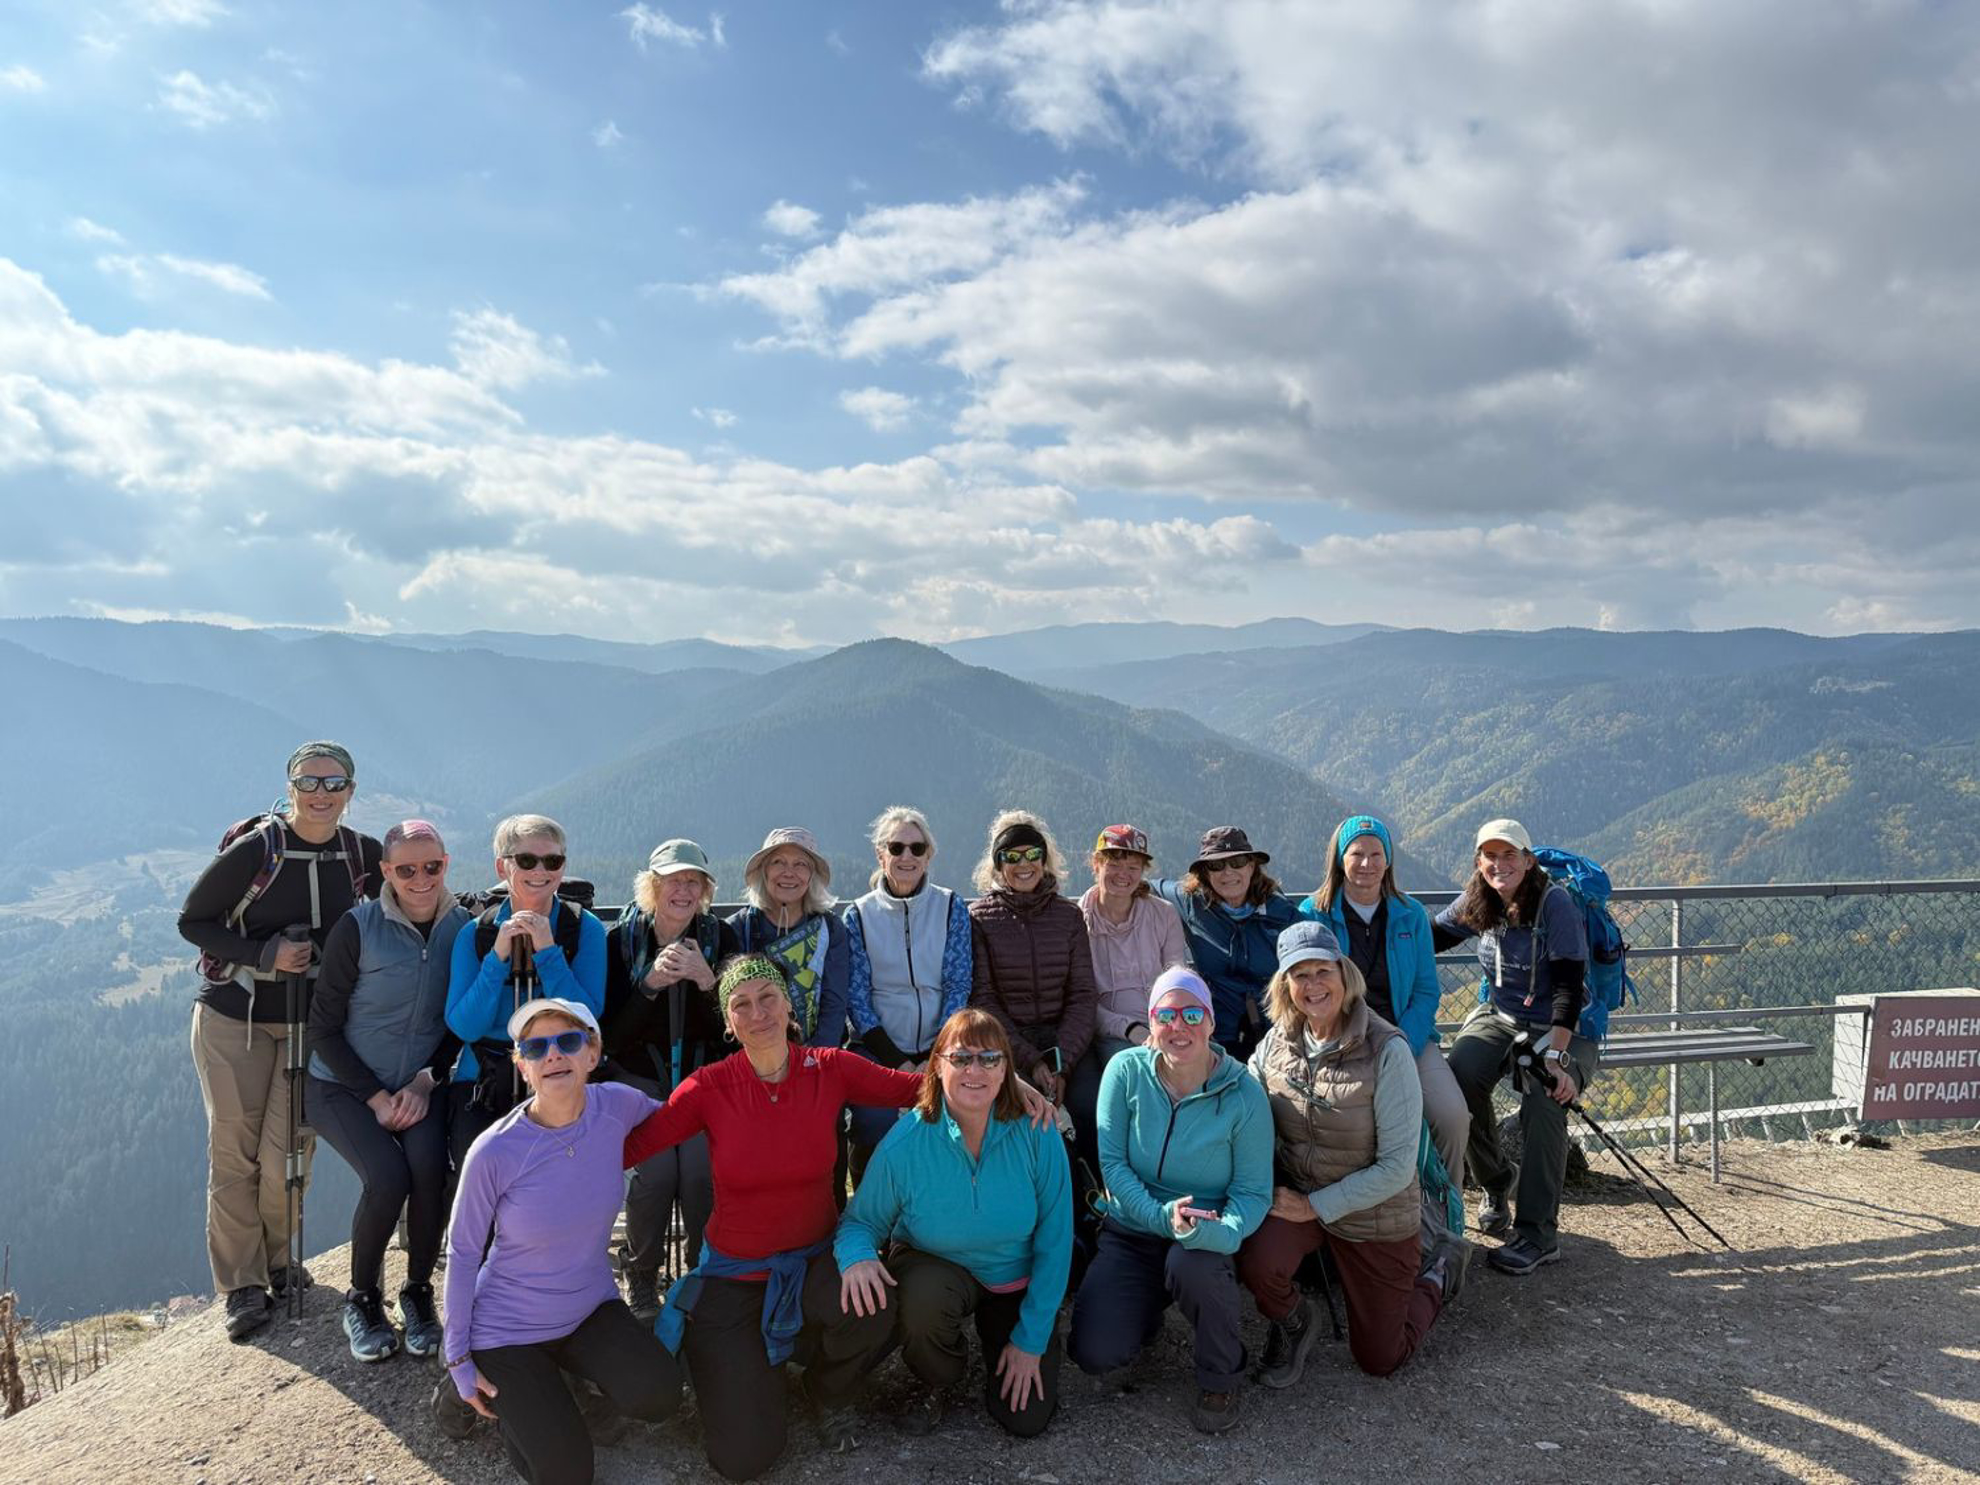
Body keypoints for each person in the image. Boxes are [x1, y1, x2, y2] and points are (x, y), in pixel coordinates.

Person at [622, 955, 921, 1481]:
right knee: (744, 1458)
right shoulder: (708, 1087)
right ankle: (742, 1366)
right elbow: (633, 1144)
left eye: (768, 998)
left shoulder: (830, 1067)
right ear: (729, 1023)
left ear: (789, 1006)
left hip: (816, 1262)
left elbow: (915, 1089)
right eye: (741, 1004)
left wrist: (1012, 1087)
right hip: (734, 1277)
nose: (757, 1012)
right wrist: (546, 1126)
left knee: (877, 1306)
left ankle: (827, 1391)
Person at [178, 740, 383, 1341]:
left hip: (311, 1024)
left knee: (289, 1153)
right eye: (309, 781)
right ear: (290, 786)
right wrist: (265, 954)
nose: (322, 793)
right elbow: (193, 921)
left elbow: (406, 900)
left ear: (350, 790)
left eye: (334, 782)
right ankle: (244, 1283)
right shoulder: (257, 851)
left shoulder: (361, 855)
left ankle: (277, 1261)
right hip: (234, 1018)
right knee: (234, 1150)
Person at [443, 998, 681, 1485]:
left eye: (568, 1041)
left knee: (660, 1394)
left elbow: (683, 1115)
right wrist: (459, 1358)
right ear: (523, 1066)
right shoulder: (493, 1151)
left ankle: (551, 1388)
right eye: (536, 1046)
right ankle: (468, 1393)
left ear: (592, 1054)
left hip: (587, 1309)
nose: (553, 1054)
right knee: (567, 1473)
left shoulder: (618, 1104)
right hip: (507, 1330)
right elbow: (464, 1254)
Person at [1236, 922, 1465, 1389]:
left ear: (1346, 974)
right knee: (1255, 1259)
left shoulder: (1387, 1049)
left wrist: (1313, 1206)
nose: (1313, 985)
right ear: (1284, 985)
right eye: (1299, 975)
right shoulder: (1278, 1040)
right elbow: (1243, 1094)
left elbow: (1398, 1168)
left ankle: (1439, 1270)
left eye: (1323, 970)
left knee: (1381, 1358)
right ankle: (1297, 1321)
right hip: (1304, 1196)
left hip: (1373, 1210)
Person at [836, 1009, 1073, 1438]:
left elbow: (1056, 1243)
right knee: (924, 1299)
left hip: (1011, 1279)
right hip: (936, 1268)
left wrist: (1031, 1340)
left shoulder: (1038, 1132)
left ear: (1006, 1069)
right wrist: (856, 1258)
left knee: (1025, 1419)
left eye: (989, 1059)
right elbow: (860, 1221)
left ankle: (1007, 1347)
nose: (975, 1070)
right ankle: (939, 1375)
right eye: (961, 1058)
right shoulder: (906, 1140)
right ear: (938, 1065)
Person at [1068, 967, 1272, 1434]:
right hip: (1134, 1228)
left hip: (1203, 1233)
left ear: (1211, 1022)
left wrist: (1224, 1232)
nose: (1179, 1026)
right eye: (1166, 1015)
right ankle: (1147, 1310)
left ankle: (1221, 1374)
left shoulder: (1243, 1094)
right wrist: (1160, 1218)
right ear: (1151, 1021)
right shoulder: (1125, 1071)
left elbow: (1252, 1193)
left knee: (1191, 1266)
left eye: (1192, 1013)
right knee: (1093, 1352)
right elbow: (1114, 1168)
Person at [306, 819, 469, 1363]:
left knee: (431, 1173)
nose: (420, 878)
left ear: (446, 864)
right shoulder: (358, 929)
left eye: (432, 867)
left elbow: (458, 1022)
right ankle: (364, 1299)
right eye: (406, 869)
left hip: (420, 1085)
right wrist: (376, 1097)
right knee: (387, 1176)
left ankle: (418, 1292)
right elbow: (323, 1028)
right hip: (342, 1087)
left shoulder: (462, 928)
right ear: (385, 873)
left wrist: (426, 1080)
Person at [1434, 819, 1597, 1276]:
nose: (1500, 864)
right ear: (1479, 862)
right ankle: (1497, 1181)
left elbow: (1569, 988)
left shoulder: (1554, 905)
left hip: (1566, 1026)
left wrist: (1556, 1056)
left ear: (1528, 861)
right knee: (1459, 1081)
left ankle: (1537, 1234)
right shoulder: (1480, 900)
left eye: (1510, 856)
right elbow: (1429, 937)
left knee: (1546, 1100)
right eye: (1491, 856)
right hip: (1501, 1017)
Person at [600, 838, 738, 1322]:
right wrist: (651, 987)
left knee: (700, 1172)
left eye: (693, 882)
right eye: (673, 880)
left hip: (703, 1079)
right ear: (652, 885)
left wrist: (707, 983)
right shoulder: (619, 942)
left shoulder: (723, 940)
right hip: (640, 1079)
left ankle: (706, 1274)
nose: (683, 890)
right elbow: (610, 1036)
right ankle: (641, 1275)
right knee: (655, 1173)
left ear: (704, 890)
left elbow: (732, 1035)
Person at [1298, 814, 1468, 1184]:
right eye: (1356, 853)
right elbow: (1304, 990)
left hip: (1406, 1037)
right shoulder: (1314, 916)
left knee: (1452, 1116)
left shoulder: (1411, 916)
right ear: (1340, 859)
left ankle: (1448, 1215)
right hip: (1340, 1040)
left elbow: (1425, 990)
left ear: (1389, 859)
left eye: (1376, 854)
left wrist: (1403, 1042)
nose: (1366, 864)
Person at [445, 814, 606, 1170]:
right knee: (477, 1186)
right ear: (502, 867)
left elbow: (586, 1015)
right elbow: (466, 1026)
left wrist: (549, 953)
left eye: (553, 861)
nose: (540, 871)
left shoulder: (583, 929)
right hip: (484, 1082)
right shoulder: (477, 934)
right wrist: (497, 957)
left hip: (558, 1075)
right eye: (526, 860)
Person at [966, 810, 1101, 1181]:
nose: (1023, 865)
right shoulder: (979, 918)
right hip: (1010, 1044)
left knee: (1092, 1108)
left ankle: (1091, 1205)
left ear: (1045, 859)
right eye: (1011, 857)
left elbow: (1082, 995)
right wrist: (1030, 1060)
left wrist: (1061, 1063)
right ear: (997, 865)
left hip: (1066, 1044)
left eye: (1032, 855)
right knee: (1011, 1115)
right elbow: (984, 998)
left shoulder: (1069, 916)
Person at [842, 806, 972, 1179]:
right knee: (872, 1120)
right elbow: (858, 998)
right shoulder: (859, 916)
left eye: (917, 848)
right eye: (896, 848)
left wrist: (936, 1054)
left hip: (942, 1044)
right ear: (880, 855)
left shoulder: (951, 907)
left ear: (929, 854)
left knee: (958, 1115)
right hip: (878, 1047)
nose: (906, 857)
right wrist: (899, 1062)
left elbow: (958, 983)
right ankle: (867, 1209)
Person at [1151, 827, 1299, 1060]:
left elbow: (1316, 952)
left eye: (1237, 861)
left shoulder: (1281, 912)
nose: (1228, 872)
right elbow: (1145, 885)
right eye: (1216, 865)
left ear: (1251, 866)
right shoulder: (1192, 904)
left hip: (1278, 1033)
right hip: (1217, 1036)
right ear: (1204, 873)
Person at [1078, 824, 1191, 1065]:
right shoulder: (1076, 921)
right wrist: (1130, 1029)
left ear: (1142, 871)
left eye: (1132, 867)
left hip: (1163, 1025)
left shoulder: (1163, 914)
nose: (1123, 874)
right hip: (1106, 1033)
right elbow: (1080, 999)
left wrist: (1164, 1026)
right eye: (1114, 865)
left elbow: (1176, 983)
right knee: (1139, 1069)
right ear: (1096, 865)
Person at [727, 827, 849, 1049]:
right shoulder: (739, 927)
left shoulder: (830, 928)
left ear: (811, 876)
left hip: (817, 1057)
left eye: (800, 864)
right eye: (778, 862)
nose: (788, 873)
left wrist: (814, 1060)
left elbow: (834, 1003)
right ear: (764, 872)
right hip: (756, 1055)